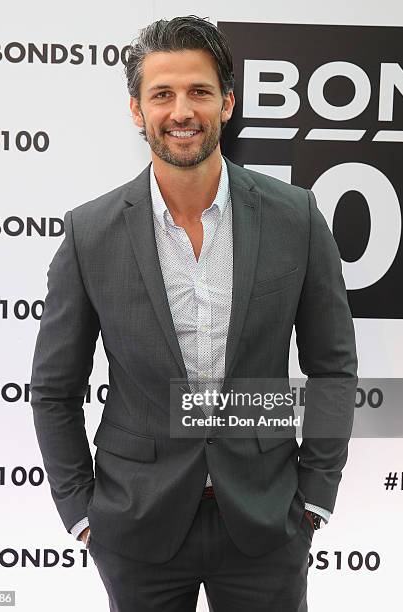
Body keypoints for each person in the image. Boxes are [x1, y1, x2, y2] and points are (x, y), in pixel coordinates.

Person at [30, 15, 357, 612]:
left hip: (266, 521)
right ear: (137, 109)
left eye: (199, 91)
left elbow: (333, 369)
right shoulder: (89, 234)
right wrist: (81, 512)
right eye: (162, 94)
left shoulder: (296, 218)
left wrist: (315, 496)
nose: (182, 111)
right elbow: (55, 389)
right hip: (136, 526)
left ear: (227, 103)